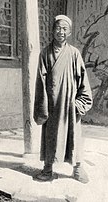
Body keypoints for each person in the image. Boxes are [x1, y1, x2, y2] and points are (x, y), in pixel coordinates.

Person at [34, 14, 93, 183]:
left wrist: (79, 103)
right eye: (58, 28)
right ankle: (47, 168)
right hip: (52, 105)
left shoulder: (74, 54)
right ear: (52, 30)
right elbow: (40, 82)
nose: (61, 31)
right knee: (51, 136)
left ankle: (77, 168)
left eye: (64, 29)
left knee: (74, 136)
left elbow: (83, 81)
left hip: (69, 105)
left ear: (69, 32)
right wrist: (43, 107)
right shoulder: (45, 53)